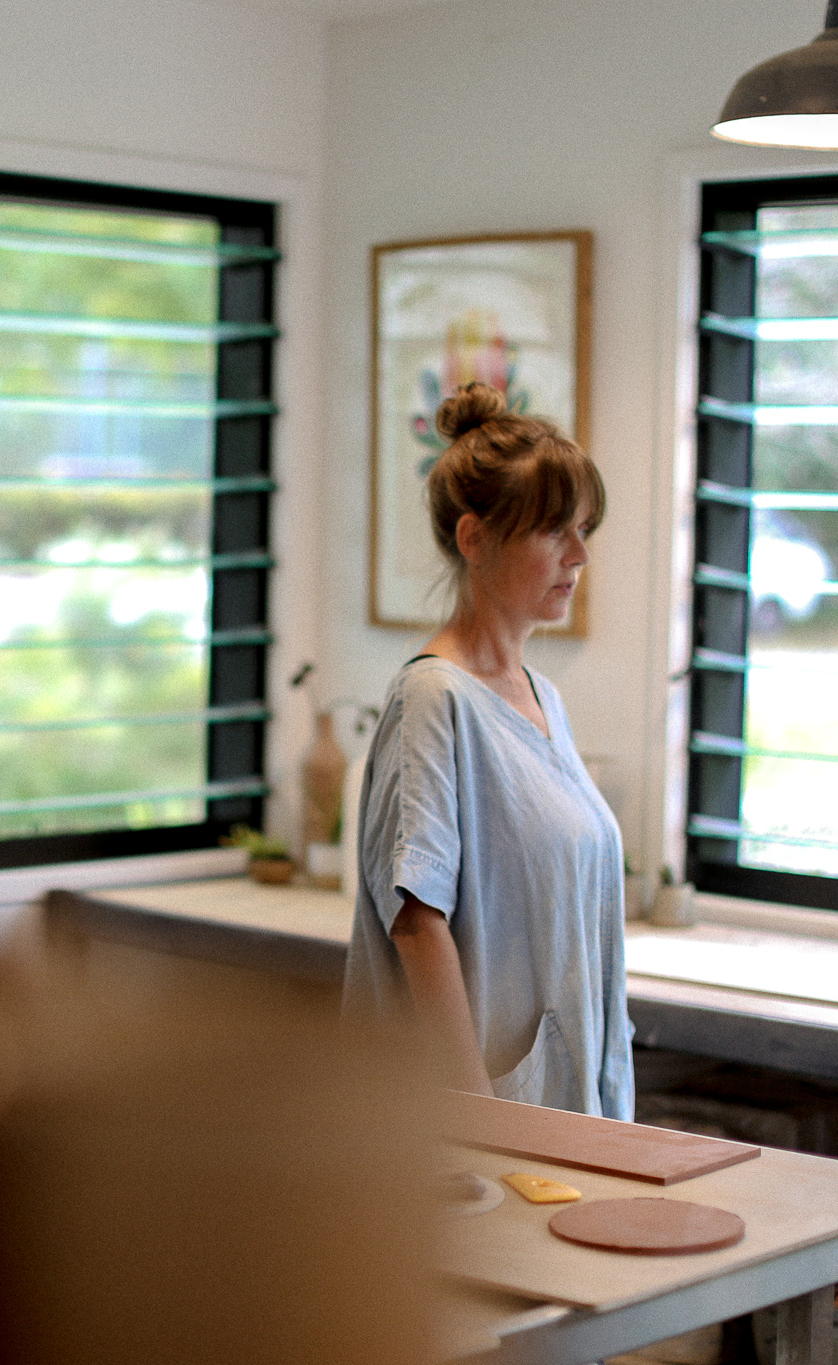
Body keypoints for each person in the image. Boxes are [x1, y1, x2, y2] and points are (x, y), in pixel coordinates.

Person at [343, 381, 633, 1118]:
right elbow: (418, 923)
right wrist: (484, 1122)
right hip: (476, 1129)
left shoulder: (544, 699)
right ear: (475, 539)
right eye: (554, 531)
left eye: (584, 529)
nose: (579, 554)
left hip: (564, 1117)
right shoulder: (433, 699)